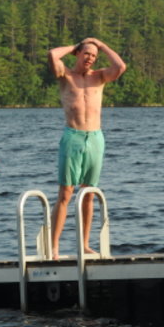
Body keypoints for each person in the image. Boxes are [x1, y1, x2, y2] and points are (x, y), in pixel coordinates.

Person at [48, 37, 127, 260]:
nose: (90, 58)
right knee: (65, 193)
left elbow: (120, 67)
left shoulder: (99, 77)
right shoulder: (65, 75)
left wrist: (101, 45)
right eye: (86, 54)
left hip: (95, 137)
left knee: (89, 193)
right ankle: (54, 247)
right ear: (78, 54)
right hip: (73, 136)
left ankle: (84, 244)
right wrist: (75, 47)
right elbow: (52, 54)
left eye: (93, 55)